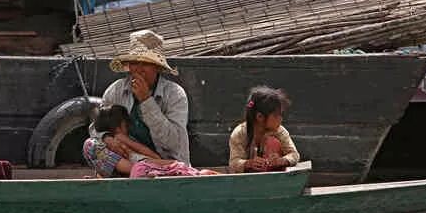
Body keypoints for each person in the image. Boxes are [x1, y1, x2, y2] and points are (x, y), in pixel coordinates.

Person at [85, 29, 191, 176]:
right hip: (128, 159)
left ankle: (144, 171)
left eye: (146, 63)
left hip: (164, 164)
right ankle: (135, 172)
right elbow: (95, 128)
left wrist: (146, 100)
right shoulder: (116, 90)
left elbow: (173, 143)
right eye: (135, 63)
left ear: (157, 67)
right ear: (129, 66)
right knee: (90, 145)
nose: (139, 70)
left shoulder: (175, 94)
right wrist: (107, 138)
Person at [83, 104, 216, 178]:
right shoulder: (95, 145)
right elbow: (133, 167)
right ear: (119, 126)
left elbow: (153, 158)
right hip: (141, 172)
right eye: (125, 125)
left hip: (149, 169)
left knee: (179, 166)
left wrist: (128, 142)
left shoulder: (129, 141)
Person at [228, 86, 301, 173]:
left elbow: (294, 154)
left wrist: (281, 160)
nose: (281, 119)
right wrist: (248, 163)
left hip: (275, 177)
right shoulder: (239, 133)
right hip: (248, 178)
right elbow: (234, 162)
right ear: (260, 117)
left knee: (272, 142)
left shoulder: (279, 131)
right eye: (276, 115)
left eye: (281, 114)